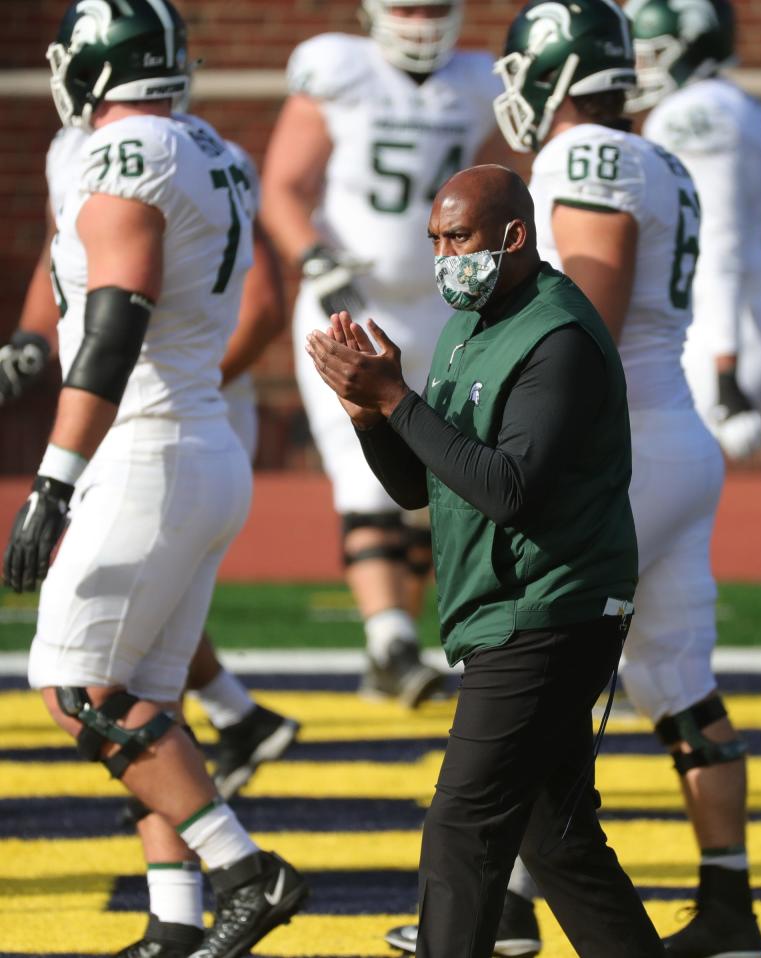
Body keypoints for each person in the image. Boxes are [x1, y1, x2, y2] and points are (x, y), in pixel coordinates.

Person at [2, 3, 308, 956]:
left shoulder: (125, 156)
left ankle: (248, 873)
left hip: (147, 450)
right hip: (193, 443)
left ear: (98, 64)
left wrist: (53, 480)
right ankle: (176, 923)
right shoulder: (203, 147)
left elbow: (113, 325)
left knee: (76, 690)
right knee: (144, 701)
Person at [306, 163, 665, 958]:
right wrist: (370, 414)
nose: (444, 255)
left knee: (461, 830)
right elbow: (418, 484)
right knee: (557, 839)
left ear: (514, 236)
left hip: (550, 609)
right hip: (511, 607)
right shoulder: (471, 325)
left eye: (459, 236)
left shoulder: (557, 335)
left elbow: (510, 491)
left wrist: (399, 399)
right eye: (435, 239)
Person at [3, 124, 300, 806]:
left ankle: (233, 855)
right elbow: (67, 253)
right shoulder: (194, 150)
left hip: (157, 422)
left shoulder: (150, 154)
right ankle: (181, 885)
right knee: (141, 654)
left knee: (83, 675)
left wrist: (186, 388)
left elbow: (252, 308)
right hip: (154, 422)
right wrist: (29, 336)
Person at [260, 0, 510, 707]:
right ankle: (390, 641)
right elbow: (284, 186)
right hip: (353, 296)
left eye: (433, 6)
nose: (421, 20)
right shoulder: (339, 69)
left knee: (442, 471)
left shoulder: (477, 81)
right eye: (407, 5)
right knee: (367, 469)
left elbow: (502, 186)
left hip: (444, 304)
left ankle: (408, 641)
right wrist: (312, 257)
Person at [624, 0, 761, 572]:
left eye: (654, 52)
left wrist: (725, 371)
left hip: (748, 326)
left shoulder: (689, 112)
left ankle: (609, 646)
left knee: (642, 476)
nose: (643, 66)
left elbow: (718, 243)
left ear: (691, 43)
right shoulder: (739, 101)